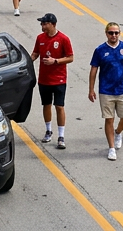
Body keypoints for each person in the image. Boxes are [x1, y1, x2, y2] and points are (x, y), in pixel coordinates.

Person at [88, 22, 123, 162]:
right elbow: (93, 70)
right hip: (106, 90)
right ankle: (111, 148)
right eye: (111, 33)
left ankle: (118, 132)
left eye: (116, 33)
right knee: (109, 119)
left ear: (119, 33)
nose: (114, 35)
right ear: (106, 34)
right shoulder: (100, 50)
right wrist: (91, 89)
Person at [30, 13, 73, 149]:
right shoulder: (40, 38)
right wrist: (26, 61)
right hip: (44, 79)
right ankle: (48, 131)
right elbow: (35, 53)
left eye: (44, 23)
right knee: (46, 105)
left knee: (59, 106)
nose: (42, 26)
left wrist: (55, 61)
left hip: (59, 79)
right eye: (41, 23)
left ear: (53, 24)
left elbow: (70, 57)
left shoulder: (63, 39)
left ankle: (61, 136)